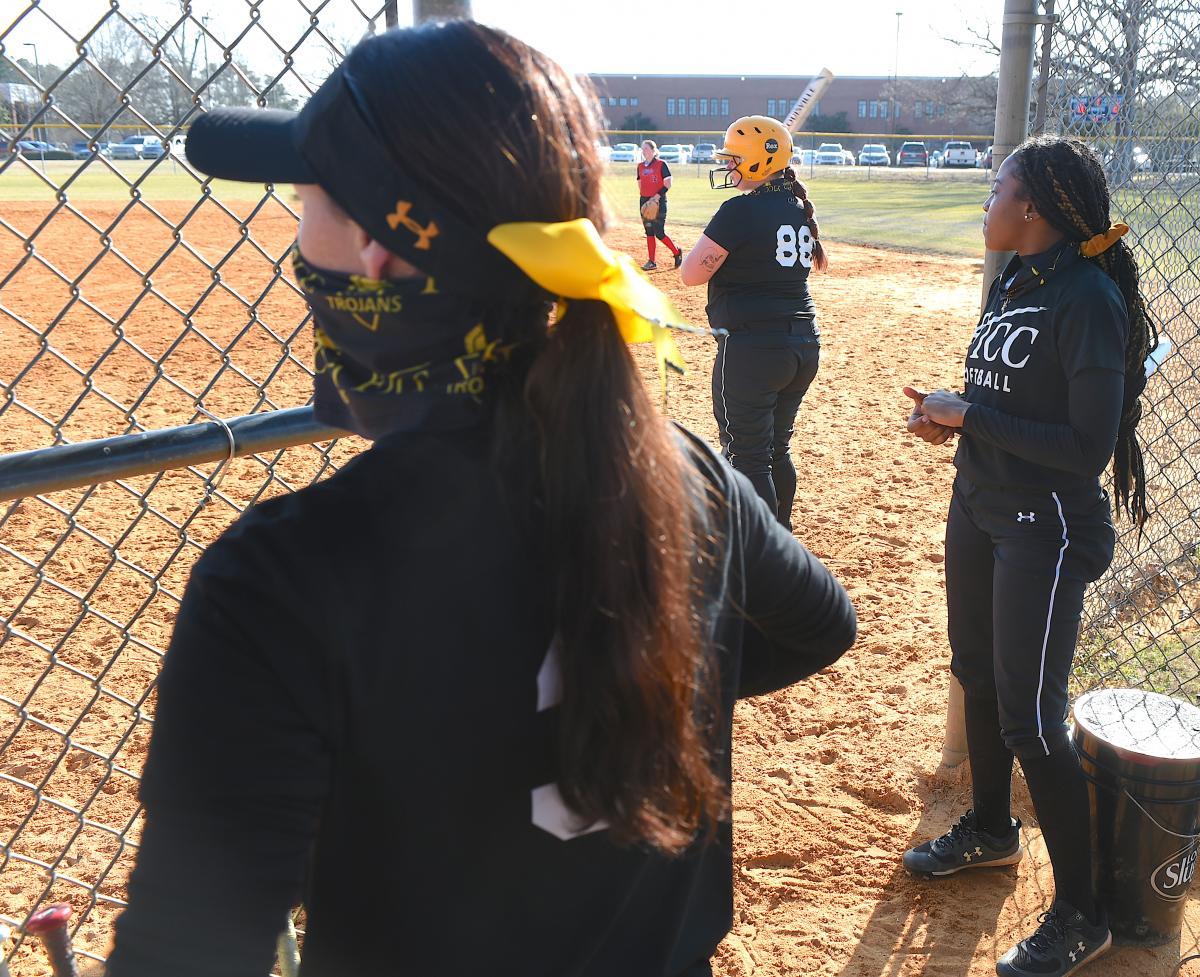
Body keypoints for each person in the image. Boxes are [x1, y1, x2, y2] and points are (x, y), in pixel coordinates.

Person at [103, 23, 856, 977]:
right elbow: (821, 625)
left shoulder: (285, 576)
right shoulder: (684, 474)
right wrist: (623, 688)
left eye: (306, 200)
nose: (299, 228)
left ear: (380, 252)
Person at [901, 136, 1156, 977]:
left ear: (1035, 208)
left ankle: (1085, 914)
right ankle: (990, 827)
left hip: (1043, 524)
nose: (987, 199)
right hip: (979, 502)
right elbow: (1008, 398)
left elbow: (1084, 448)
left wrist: (970, 416)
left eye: (998, 187)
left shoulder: (1087, 298)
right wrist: (954, 415)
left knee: (1031, 717)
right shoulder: (1018, 276)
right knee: (973, 668)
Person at [679, 116, 828, 530]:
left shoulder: (739, 210)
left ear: (757, 163)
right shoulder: (799, 208)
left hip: (753, 349)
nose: (728, 167)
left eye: (734, 159)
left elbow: (691, 274)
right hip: (802, 344)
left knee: (746, 456)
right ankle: (780, 540)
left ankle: (762, 556)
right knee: (775, 450)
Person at [637, 139, 683, 271]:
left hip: (659, 201)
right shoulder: (640, 166)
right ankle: (652, 261)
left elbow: (668, 183)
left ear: (653, 150)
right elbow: (640, 184)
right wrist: (645, 199)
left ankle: (676, 252)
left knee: (659, 232)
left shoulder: (661, 164)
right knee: (649, 231)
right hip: (645, 201)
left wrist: (656, 197)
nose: (644, 151)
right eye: (643, 149)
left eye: (646, 148)